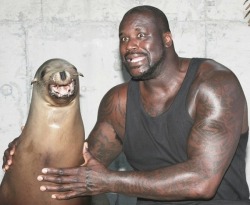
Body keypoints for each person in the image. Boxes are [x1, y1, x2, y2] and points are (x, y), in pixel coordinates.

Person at [2, 5, 250, 205]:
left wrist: (110, 181)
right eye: (124, 38)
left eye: (141, 36)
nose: (130, 45)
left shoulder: (214, 84)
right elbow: (83, 166)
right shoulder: (118, 102)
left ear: (167, 39)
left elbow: (202, 182)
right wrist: (27, 151)